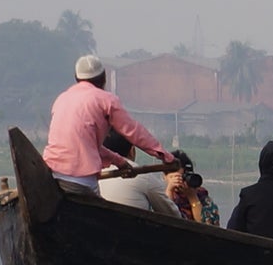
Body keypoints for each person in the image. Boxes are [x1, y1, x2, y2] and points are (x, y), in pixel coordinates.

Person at [42, 55, 181, 215]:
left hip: (51, 173)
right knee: (100, 219)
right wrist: (166, 157)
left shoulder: (62, 99)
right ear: (103, 79)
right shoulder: (106, 100)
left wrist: (120, 162)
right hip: (80, 180)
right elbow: (133, 132)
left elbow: (86, 146)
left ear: (77, 79)